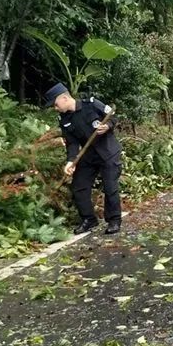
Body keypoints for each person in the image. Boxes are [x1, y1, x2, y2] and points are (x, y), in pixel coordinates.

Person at [44, 83, 123, 234]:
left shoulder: (92, 104)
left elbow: (113, 117)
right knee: (79, 186)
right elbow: (72, 142)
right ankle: (89, 219)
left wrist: (107, 126)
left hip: (108, 152)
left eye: (55, 104)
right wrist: (70, 161)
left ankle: (114, 220)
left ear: (64, 98)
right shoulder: (64, 119)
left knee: (110, 187)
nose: (55, 108)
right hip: (88, 155)